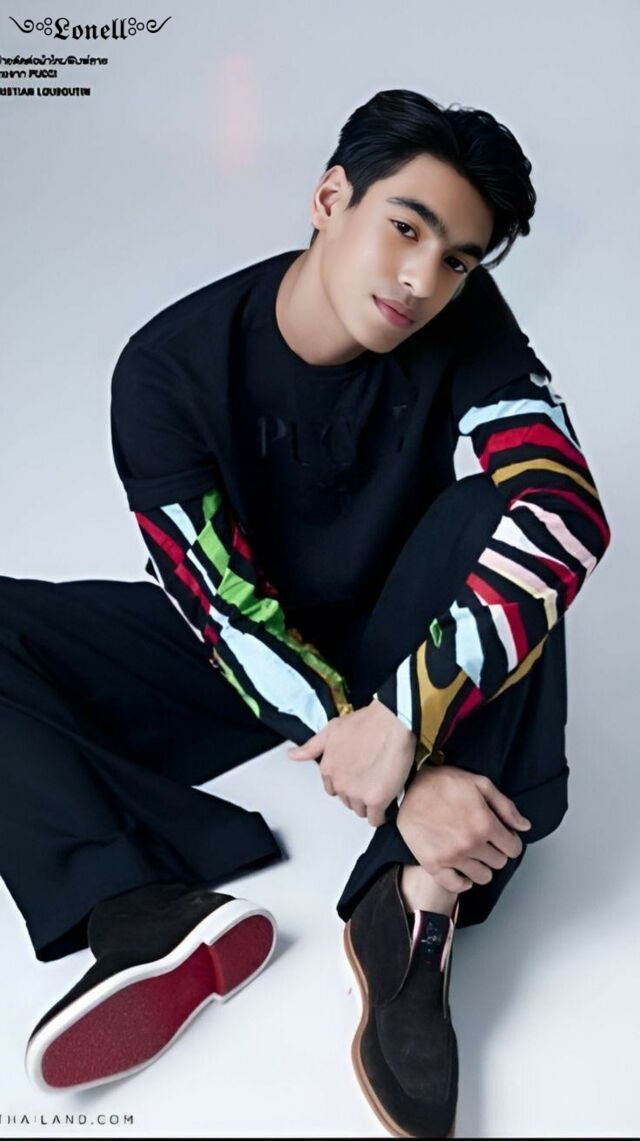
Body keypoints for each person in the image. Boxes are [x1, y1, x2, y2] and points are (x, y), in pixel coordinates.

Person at [0, 88, 610, 1137]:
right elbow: (218, 605)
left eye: (458, 259)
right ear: (331, 199)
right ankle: (142, 910)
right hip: (244, 654)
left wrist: (405, 717)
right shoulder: (167, 369)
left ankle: (410, 902)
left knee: (495, 511)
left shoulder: (465, 324)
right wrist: (395, 767)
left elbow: (565, 509)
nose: (421, 279)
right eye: (405, 228)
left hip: (398, 640)